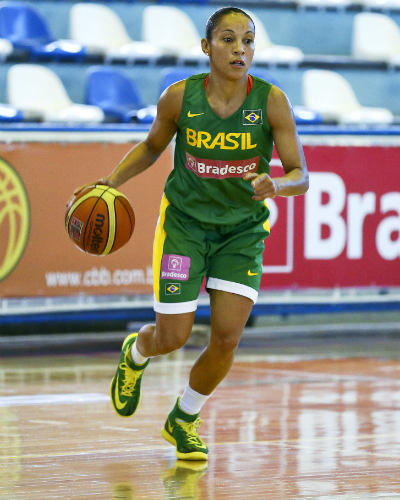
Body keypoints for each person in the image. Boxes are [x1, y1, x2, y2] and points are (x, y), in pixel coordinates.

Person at [73, 6, 308, 461]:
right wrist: (110, 183)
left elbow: (301, 174)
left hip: (241, 232)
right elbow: (151, 146)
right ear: (206, 47)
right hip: (185, 225)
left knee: (226, 338)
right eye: (227, 39)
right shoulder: (179, 98)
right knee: (173, 337)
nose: (240, 48)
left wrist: (277, 184)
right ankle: (137, 352)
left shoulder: (271, 100)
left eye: (247, 40)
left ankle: (183, 418)